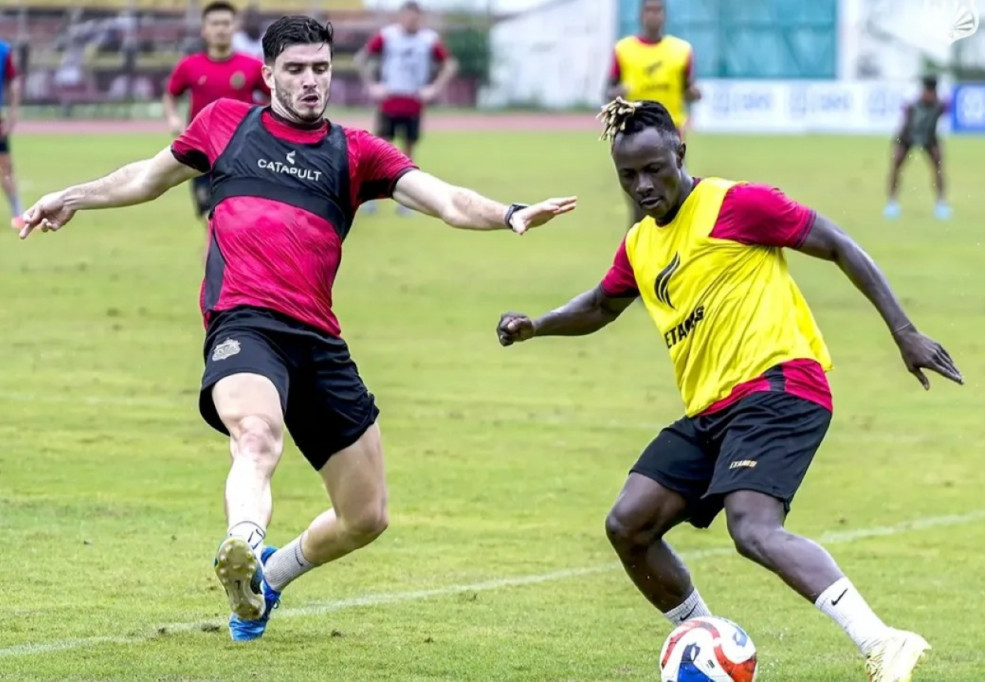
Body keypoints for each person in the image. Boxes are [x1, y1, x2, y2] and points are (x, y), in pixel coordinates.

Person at [15, 15, 576, 643]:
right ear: (269, 75)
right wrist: (74, 195)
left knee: (365, 515)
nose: (311, 82)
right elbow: (144, 178)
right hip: (243, 323)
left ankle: (268, 576)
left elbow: (442, 199)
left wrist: (511, 213)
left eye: (321, 69)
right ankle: (243, 543)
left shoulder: (357, 152)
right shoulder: (226, 124)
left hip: (318, 341)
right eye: (296, 70)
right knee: (255, 436)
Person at [495, 98, 962, 682]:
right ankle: (709, 642)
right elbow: (598, 305)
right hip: (713, 409)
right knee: (629, 524)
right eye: (628, 176)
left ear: (679, 153)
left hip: (781, 386)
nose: (642, 185)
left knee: (752, 527)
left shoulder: (735, 204)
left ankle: (884, 641)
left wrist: (905, 331)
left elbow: (839, 243)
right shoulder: (641, 244)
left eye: (653, 169)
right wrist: (536, 325)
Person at [163, 1, 270, 220]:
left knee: (237, 217)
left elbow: (274, 97)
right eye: (215, 24)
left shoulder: (252, 65)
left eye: (226, 23)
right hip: (201, 152)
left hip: (242, 151)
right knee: (209, 219)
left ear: (234, 27)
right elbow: (171, 94)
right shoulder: (189, 66)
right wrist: (173, 118)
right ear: (204, 29)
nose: (220, 29)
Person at [354, 0, 458, 215]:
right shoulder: (388, 36)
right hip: (390, 100)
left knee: (408, 154)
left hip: (413, 102)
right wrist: (372, 85)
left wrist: (434, 88)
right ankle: (369, 198)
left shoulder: (428, 39)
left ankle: (406, 202)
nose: (412, 20)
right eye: (408, 16)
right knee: (378, 151)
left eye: (416, 17)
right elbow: (361, 58)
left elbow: (449, 64)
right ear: (401, 16)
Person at [607, 0, 700, 228]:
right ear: (640, 15)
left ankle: (676, 251)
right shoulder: (623, 49)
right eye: (648, 10)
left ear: (664, 15)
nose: (653, 15)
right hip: (634, 136)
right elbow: (609, 90)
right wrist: (617, 92)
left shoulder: (681, 50)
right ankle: (635, 253)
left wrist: (693, 93)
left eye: (658, 10)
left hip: (669, 134)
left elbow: (689, 89)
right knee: (640, 202)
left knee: (674, 198)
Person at [885, 76, 951, 220]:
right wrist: (897, 143)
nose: (928, 96)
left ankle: (941, 204)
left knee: (939, 167)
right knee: (896, 166)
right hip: (908, 137)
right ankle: (892, 203)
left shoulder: (939, 105)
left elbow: (948, 106)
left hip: (929, 138)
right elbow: (903, 126)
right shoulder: (912, 106)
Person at [1, 39, 23, 230]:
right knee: (5, 169)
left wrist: (13, 114)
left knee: (5, 168)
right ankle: (18, 214)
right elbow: (14, 83)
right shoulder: (4, 50)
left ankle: (18, 213)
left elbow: (14, 82)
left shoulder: (4, 50)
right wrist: (13, 114)